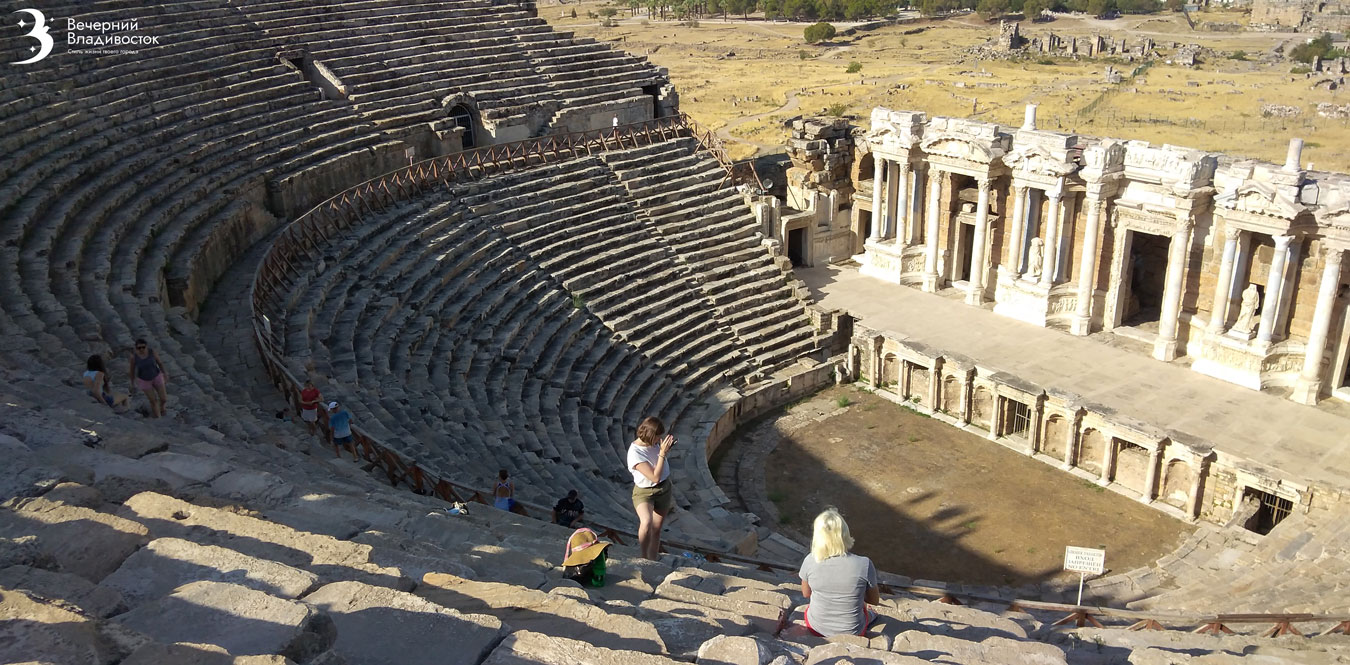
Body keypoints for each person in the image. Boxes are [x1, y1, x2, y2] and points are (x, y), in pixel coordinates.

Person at [798, 507, 880, 638]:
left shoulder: (809, 560)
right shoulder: (864, 563)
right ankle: (870, 616)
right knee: (865, 608)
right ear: (844, 533)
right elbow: (874, 600)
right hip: (852, 631)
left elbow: (806, 593)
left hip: (816, 627)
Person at [628, 416, 675, 561]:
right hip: (645, 492)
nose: (659, 440)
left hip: (664, 488)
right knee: (647, 522)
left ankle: (652, 559)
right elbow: (654, 477)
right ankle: (643, 556)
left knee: (657, 528)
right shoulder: (635, 453)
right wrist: (662, 453)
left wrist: (663, 451)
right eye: (657, 436)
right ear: (651, 435)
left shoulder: (653, 444)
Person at [128, 339, 168, 418]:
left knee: (163, 399)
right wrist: (132, 383)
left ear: (146, 346)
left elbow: (159, 363)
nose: (141, 349)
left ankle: (162, 407)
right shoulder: (134, 358)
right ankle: (158, 417)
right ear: (136, 348)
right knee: (153, 401)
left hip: (156, 376)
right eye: (139, 348)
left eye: (143, 347)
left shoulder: (152, 352)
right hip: (144, 380)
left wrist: (165, 373)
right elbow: (132, 371)